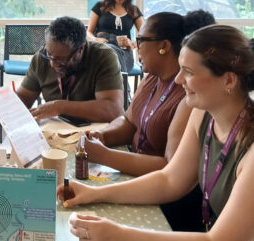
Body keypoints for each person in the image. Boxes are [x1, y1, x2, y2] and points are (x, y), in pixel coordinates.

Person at [59, 25, 254, 241]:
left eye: (189, 72)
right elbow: (170, 180)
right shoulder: (203, 113)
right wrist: (95, 193)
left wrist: (121, 236)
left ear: (229, 80)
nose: (178, 80)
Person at [84, 10, 215, 176]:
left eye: (141, 40)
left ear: (164, 46)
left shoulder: (188, 94)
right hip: (134, 173)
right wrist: (102, 135)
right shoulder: (152, 78)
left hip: (157, 190)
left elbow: (172, 168)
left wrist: (105, 156)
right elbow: (129, 122)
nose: (136, 47)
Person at [17, 16, 124, 123]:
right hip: (56, 132)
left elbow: (113, 110)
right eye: (49, 55)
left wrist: (60, 107)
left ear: (81, 49)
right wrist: (7, 106)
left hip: (95, 133)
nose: (53, 64)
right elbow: (23, 98)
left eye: (61, 59)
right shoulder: (41, 59)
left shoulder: (102, 56)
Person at [87, 0, 143, 72]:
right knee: (109, 50)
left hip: (124, 52)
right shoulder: (100, 6)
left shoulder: (134, 10)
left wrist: (132, 44)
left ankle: (120, 81)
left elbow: (144, 36)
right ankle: (123, 82)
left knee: (111, 51)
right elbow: (88, 32)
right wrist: (95, 39)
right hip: (102, 47)